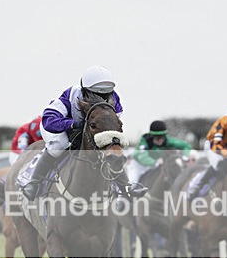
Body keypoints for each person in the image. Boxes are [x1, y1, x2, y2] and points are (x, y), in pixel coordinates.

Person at [21, 65, 146, 200]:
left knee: (112, 150)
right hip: (60, 127)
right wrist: (72, 124)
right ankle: (34, 182)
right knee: (59, 144)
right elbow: (48, 120)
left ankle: (126, 186)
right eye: (96, 94)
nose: (102, 98)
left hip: (91, 130)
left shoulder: (114, 99)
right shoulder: (71, 95)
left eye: (105, 94)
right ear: (85, 90)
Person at [129, 120, 192, 184]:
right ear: (152, 136)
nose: (161, 140)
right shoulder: (145, 141)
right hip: (138, 166)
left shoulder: (167, 141)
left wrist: (185, 157)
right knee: (132, 184)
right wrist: (156, 162)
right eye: (157, 137)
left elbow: (186, 145)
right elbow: (142, 157)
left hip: (153, 166)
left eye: (162, 136)